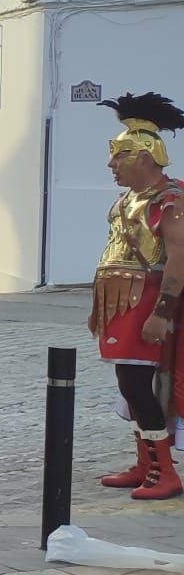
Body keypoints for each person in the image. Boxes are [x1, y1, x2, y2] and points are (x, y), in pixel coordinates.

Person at [90, 93, 184, 500]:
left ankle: (164, 472)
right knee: (129, 384)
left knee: (139, 384)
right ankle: (146, 464)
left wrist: (162, 311)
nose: (111, 165)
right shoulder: (128, 200)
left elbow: (178, 261)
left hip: (146, 301)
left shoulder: (171, 200)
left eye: (119, 156)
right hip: (122, 302)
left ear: (144, 156)